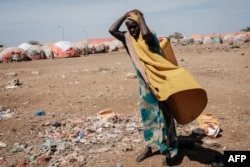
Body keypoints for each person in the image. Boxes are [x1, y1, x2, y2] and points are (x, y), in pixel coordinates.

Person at [109, 9, 179, 165]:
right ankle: (149, 146)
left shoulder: (149, 37)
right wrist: (125, 14)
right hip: (145, 87)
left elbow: (146, 34)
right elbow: (112, 30)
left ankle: (170, 150)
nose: (132, 30)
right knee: (148, 117)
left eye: (135, 26)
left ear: (140, 25)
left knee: (165, 116)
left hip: (160, 83)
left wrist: (140, 17)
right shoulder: (128, 40)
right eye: (129, 27)